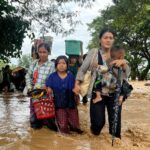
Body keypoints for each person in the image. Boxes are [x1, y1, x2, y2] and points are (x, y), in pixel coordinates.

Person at [73, 27, 130, 138]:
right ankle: (94, 140)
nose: (108, 40)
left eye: (111, 38)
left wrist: (123, 64)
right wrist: (76, 84)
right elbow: (82, 69)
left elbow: (126, 74)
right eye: (105, 37)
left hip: (115, 93)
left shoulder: (118, 53)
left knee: (115, 127)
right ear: (100, 40)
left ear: (113, 40)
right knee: (98, 124)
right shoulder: (94, 53)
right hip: (97, 92)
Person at [46, 56, 83, 134]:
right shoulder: (52, 76)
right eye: (59, 63)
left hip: (71, 103)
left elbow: (75, 88)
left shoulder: (71, 76)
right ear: (56, 65)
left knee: (75, 126)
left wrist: (77, 93)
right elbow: (48, 86)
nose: (61, 65)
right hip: (59, 105)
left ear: (67, 65)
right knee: (63, 127)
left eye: (63, 63)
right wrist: (49, 89)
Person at [25, 42, 57, 130]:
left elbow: (52, 79)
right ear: (37, 52)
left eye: (44, 52)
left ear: (48, 53)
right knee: (34, 122)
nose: (42, 54)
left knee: (49, 120)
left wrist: (48, 87)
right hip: (34, 95)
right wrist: (29, 88)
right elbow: (28, 76)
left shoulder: (52, 65)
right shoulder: (34, 63)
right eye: (40, 52)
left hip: (46, 96)